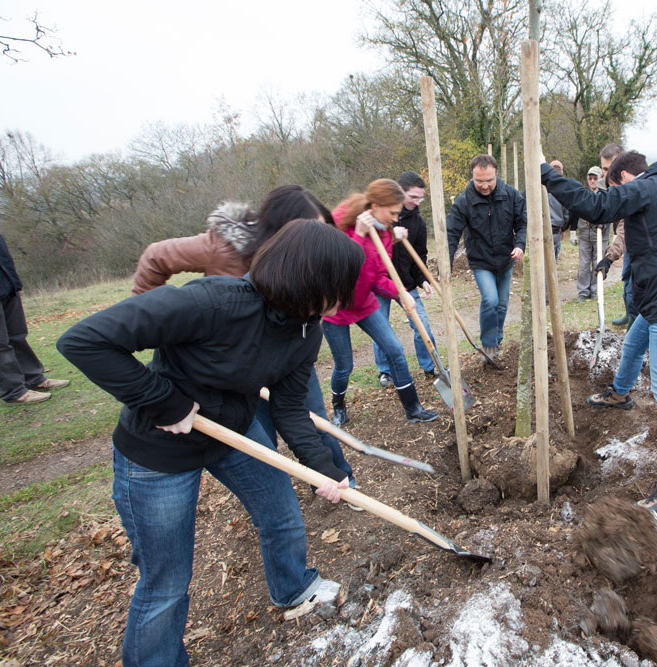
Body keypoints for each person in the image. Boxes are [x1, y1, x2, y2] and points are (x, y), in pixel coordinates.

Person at [57, 220, 365, 666]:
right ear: (309, 278)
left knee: (282, 516)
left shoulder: (305, 330)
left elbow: (291, 409)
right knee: (166, 582)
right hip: (157, 450)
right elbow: (84, 341)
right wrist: (165, 402)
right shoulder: (212, 302)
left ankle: (293, 587)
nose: (343, 298)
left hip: (233, 434)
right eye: (338, 286)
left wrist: (327, 470)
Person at [131, 185, 355, 484]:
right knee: (255, 425)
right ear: (283, 227)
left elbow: (289, 409)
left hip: (287, 347)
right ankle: (266, 469)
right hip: (229, 360)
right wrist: (157, 322)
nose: (317, 239)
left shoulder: (307, 278)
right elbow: (155, 257)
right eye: (310, 227)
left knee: (305, 411)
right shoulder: (225, 247)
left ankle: (330, 475)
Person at [541, 150, 657, 517]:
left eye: (609, 178)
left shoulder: (645, 189)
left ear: (623, 178)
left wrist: (547, 174)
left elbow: (595, 206)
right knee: (633, 342)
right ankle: (620, 393)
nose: (608, 184)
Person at [325, 179, 438, 425]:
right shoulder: (340, 222)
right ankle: (338, 406)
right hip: (335, 307)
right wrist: (359, 235)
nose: (396, 219)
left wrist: (400, 292)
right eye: (393, 213)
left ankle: (413, 408)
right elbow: (341, 272)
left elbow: (376, 277)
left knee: (395, 351)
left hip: (364, 303)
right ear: (375, 205)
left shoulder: (384, 233)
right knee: (344, 365)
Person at [447, 154, 527, 359]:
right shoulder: (465, 200)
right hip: (481, 260)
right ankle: (489, 345)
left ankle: (496, 341)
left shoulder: (511, 195)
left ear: (496, 175)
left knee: (501, 304)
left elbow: (522, 223)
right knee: (490, 300)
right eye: (479, 181)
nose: (484, 185)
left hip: (505, 258)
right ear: (473, 176)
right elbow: (451, 232)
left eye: (489, 181)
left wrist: (520, 244)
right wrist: (446, 263)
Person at [0, 219, 70, 405]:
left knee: (17, 336)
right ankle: (13, 391)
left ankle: (34, 379)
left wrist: (13, 282)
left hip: (4, 283)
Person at [373, 171, 439, 388]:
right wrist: (391, 236)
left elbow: (419, 255)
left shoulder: (418, 223)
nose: (417, 202)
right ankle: (385, 371)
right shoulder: (379, 216)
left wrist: (423, 280)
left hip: (406, 284)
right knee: (380, 328)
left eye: (420, 198)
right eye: (413, 197)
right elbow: (369, 247)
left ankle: (430, 365)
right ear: (399, 191)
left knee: (423, 325)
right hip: (380, 282)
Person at [593, 144, 638, 329]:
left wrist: (609, 257)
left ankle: (635, 324)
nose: (605, 173)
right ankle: (629, 313)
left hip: (642, 244)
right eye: (603, 168)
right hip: (630, 243)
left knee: (635, 286)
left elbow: (624, 229)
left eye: (609, 167)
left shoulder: (633, 188)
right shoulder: (609, 184)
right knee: (627, 278)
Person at [573, 166, 610, 302]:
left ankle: (595, 290)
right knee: (583, 264)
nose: (592, 181)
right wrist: (572, 230)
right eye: (590, 178)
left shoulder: (605, 193)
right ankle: (583, 291)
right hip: (584, 235)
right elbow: (575, 212)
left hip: (601, 235)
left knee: (597, 263)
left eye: (595, 178)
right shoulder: (583, 194)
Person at [546, 160, 573, 259]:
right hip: (555, 230)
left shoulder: (541, 187)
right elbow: (567, 213)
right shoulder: (564, 189)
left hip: (543, 230)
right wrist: (563, 228)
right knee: (553, 260)